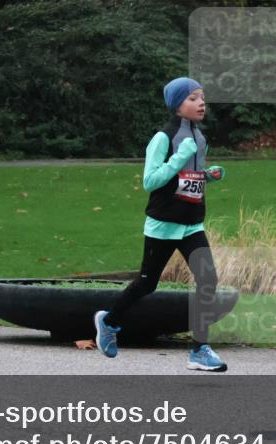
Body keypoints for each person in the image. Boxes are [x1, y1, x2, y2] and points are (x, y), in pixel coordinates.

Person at [93, 77, 229, 372]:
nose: (201, 103)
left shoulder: (199, 138)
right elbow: (151, 181)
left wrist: (207, 175)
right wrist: (179, 157)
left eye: (202, 97)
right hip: (164, 224)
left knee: (208, 280)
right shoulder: (163, 138)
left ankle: (199, 350)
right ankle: (109, 321)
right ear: (177, 105)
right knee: (147, 283)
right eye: (193, 98)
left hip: (192, 224)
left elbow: (186, 178)